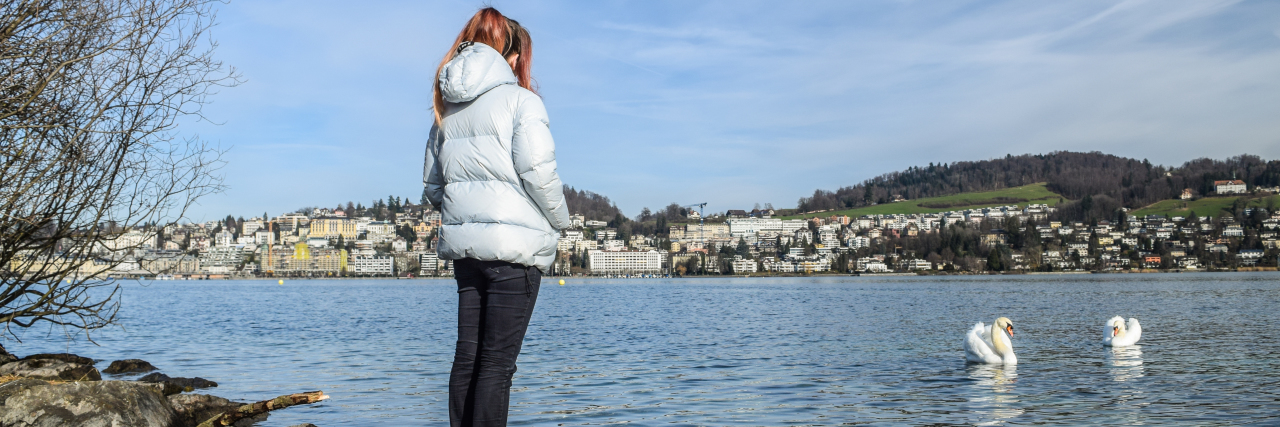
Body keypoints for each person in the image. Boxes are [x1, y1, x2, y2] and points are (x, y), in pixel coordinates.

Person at [422, 7, 570, 427]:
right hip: (514, 253)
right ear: (513, 57)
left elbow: (434, 189)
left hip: (468, 255)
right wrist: (561, 222)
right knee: (497, 365)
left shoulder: (446, 109)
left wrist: (470, 215)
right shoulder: (523, 102)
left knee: (467, 356)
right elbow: (539, 175)